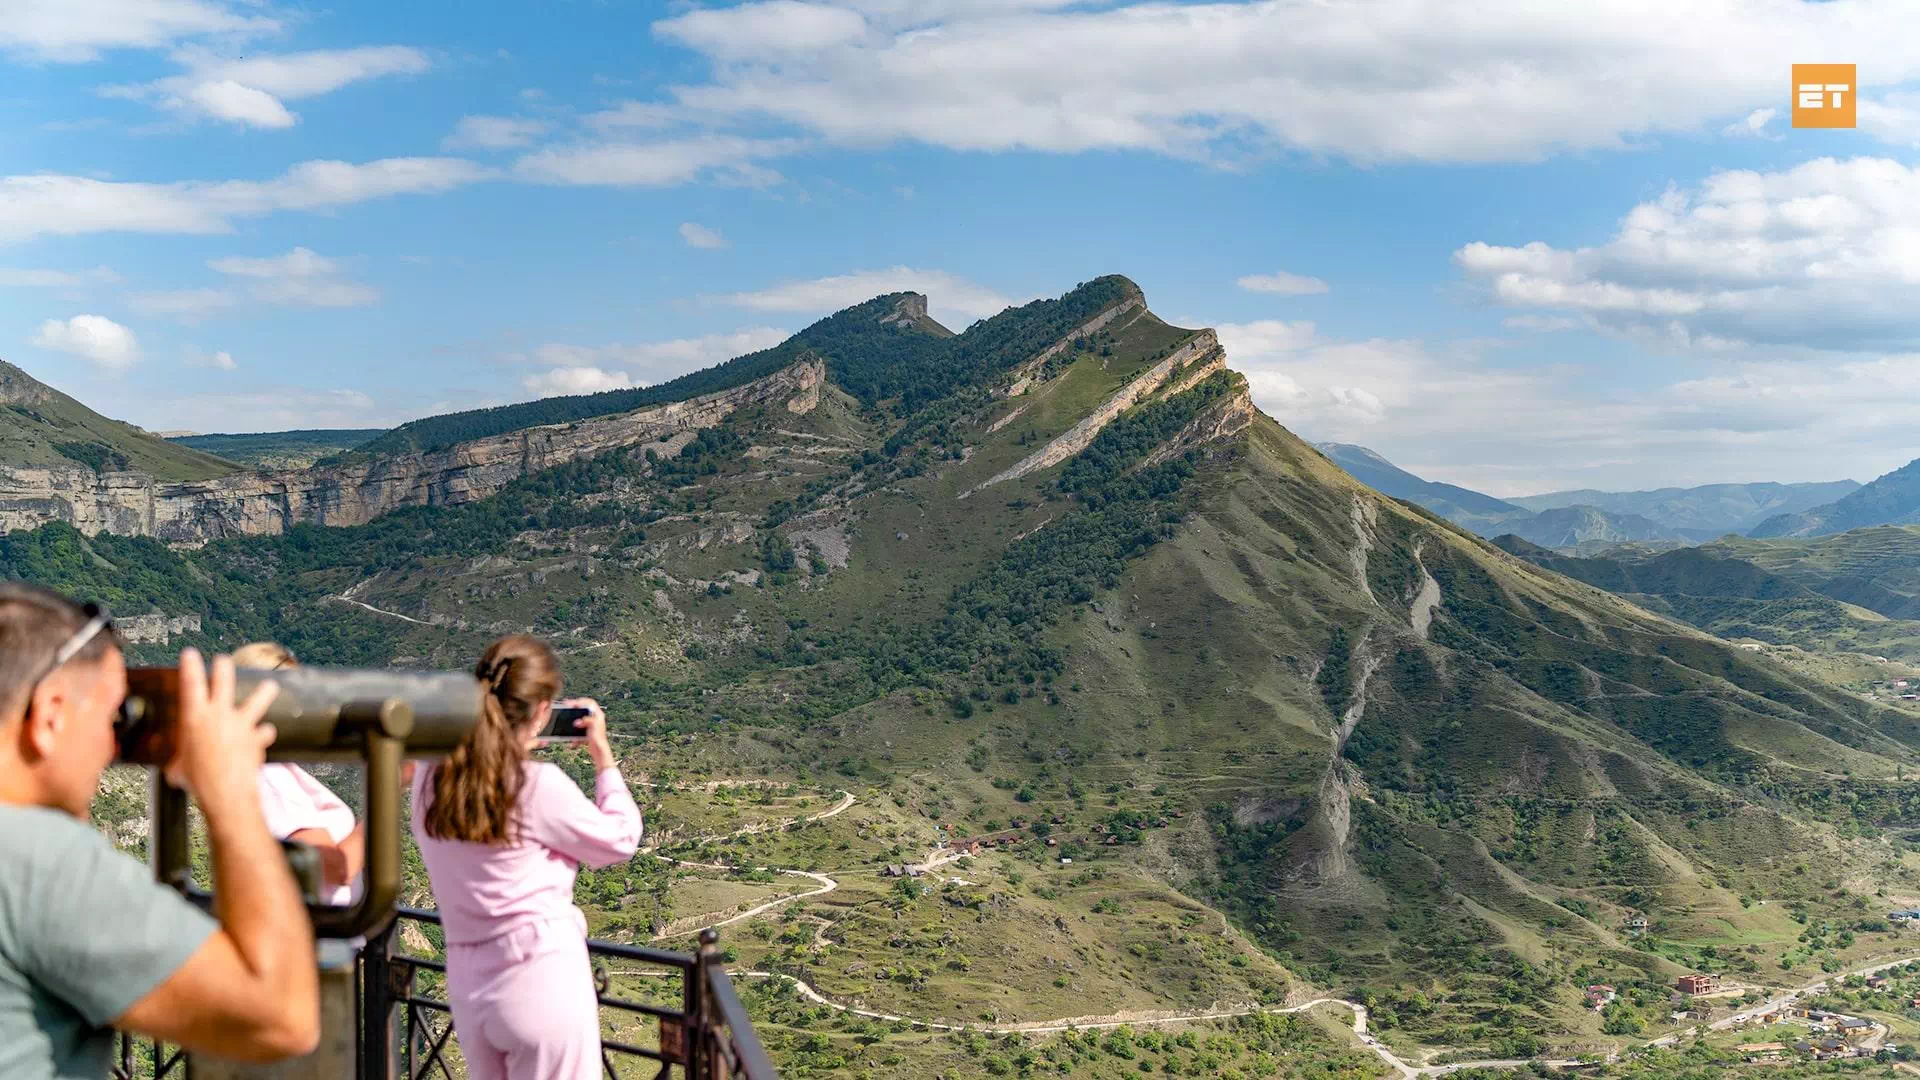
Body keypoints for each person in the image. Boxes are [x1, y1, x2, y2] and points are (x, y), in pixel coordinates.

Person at [0, 583, 319, 1079]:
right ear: (50, 714)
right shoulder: (38, 859)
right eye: (112, 719)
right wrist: (230, 791)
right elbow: (283, 1016)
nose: (113, 747)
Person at [410, 634, 642, 1080]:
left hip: (468, 985)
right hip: (541, 979)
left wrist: (501, 744)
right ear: (541, 711)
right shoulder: (536, 786)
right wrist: (602, 756)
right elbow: (620, 840)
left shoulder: (429, 780)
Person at [233, 643, 365, 909]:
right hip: (318, 939)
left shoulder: (266, 767)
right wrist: (389, 792)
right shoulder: (269, 778)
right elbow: (336, 869)